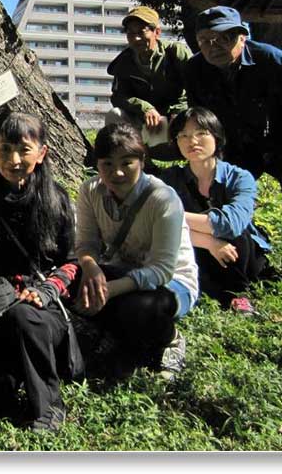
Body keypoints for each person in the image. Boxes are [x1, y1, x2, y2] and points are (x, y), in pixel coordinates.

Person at [183, 5, 282, 294]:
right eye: (205, 40)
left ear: (242, 37)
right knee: (218, 195)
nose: (213, 47)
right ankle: (244, 265)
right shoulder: (196, 70)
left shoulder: (274, 62)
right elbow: (205, 121)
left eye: (222, 38)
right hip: (238, 147)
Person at [0, 111, 80, 433]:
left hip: (42, 311)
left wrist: (46, 291)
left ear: (41, 153)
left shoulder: (57, 200)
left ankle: (48, 410)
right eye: (5, 148)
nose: (13, 159)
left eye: (24, 149)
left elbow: (72, 262)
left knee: (25, 317)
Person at [74, 123, 198, 379]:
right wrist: (90, 267)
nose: (116, 172)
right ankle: (118, 340)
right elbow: (86, 244)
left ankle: (170, 341)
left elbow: (162, 270)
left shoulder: (163, 199)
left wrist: (109, 291)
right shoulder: (90, 191)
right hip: (119, 270)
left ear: (142, 161)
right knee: (70, 286)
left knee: (138, 308)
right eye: (107, 164)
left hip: (172, 282)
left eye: (126, 163)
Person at [160, 107, 270, 313]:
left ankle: (238, 294)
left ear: (216, 136)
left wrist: (173, 217)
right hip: (195, 250)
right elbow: (156, 225)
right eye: (183, 135)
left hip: (239, 255)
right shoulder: (170, 179)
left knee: (238, 233)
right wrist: (209, 242)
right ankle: (205, 291)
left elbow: (231, 224)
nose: (192, 141)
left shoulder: (239, 177)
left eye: (201, 133)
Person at [105, 5, 191, 159]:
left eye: (141, 32)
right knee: (115, 115)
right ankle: (142, 165)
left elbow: (196, 87)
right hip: (147, 127)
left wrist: (179, 115)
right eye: (130, 33)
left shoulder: (175, 53)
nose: (135, 38)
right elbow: (118, 97)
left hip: (178, 123)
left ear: (156, 32)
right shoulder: (124, 62)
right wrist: (145, 108)